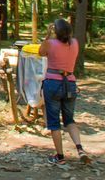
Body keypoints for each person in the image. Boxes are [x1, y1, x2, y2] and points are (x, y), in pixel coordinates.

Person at [38, 18, 90, 166]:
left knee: (54, 122)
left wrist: (48, 35)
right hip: (70, 82)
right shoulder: (75, 43)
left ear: (56, 31)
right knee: (69, 120)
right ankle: (80, 148)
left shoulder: (50, 43)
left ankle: (60, 156)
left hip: (53, 83)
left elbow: (41, 52)